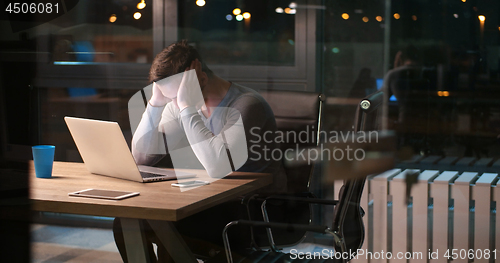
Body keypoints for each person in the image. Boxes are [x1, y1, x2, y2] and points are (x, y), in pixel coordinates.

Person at [113, 40, 286, 262]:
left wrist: (186, 107)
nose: (174, 103)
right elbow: (141, 156)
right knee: (127, 222)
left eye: (177, 96)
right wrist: (156, 103)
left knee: (171, 231)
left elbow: (217, 166)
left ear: (200, 77)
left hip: (252, 209)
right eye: (170, 98)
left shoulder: (246, 105)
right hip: (208, 200)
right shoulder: (180, 104)